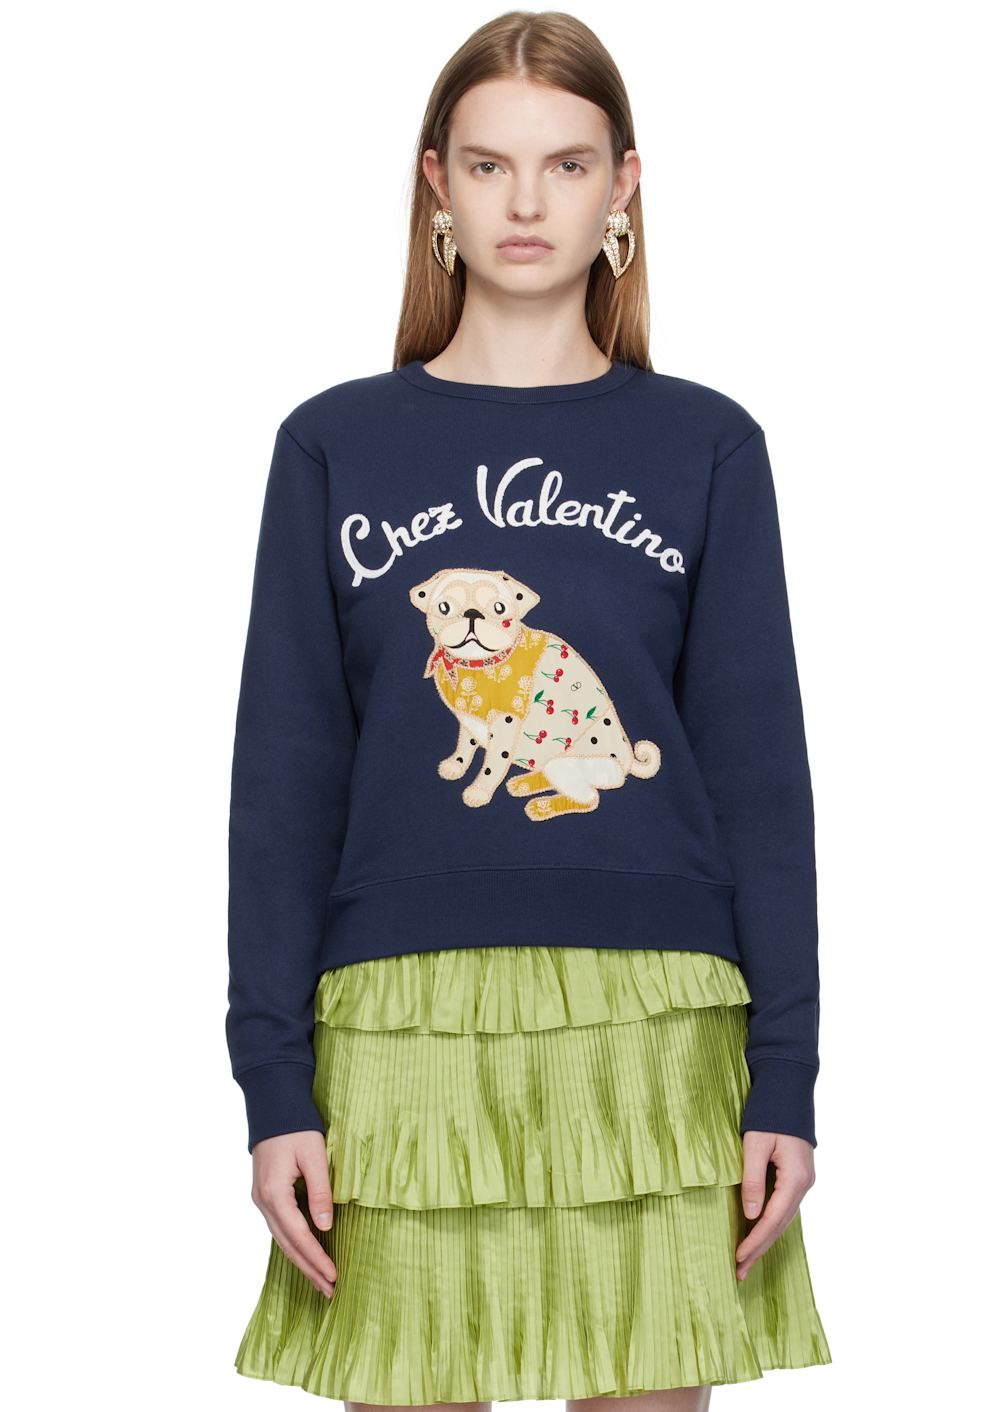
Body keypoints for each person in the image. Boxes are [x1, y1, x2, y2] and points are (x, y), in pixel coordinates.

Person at [226, 11, 832, 1409]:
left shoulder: (706, 445)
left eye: (567, 164)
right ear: (435, 182)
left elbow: (762, 779)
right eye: (491, 165)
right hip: (401, 1020)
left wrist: (786, 1078)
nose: (526, 202)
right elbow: (284, 784)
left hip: (656, 1019)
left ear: (624, 186)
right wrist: (275, 1087)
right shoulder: (332, 445)